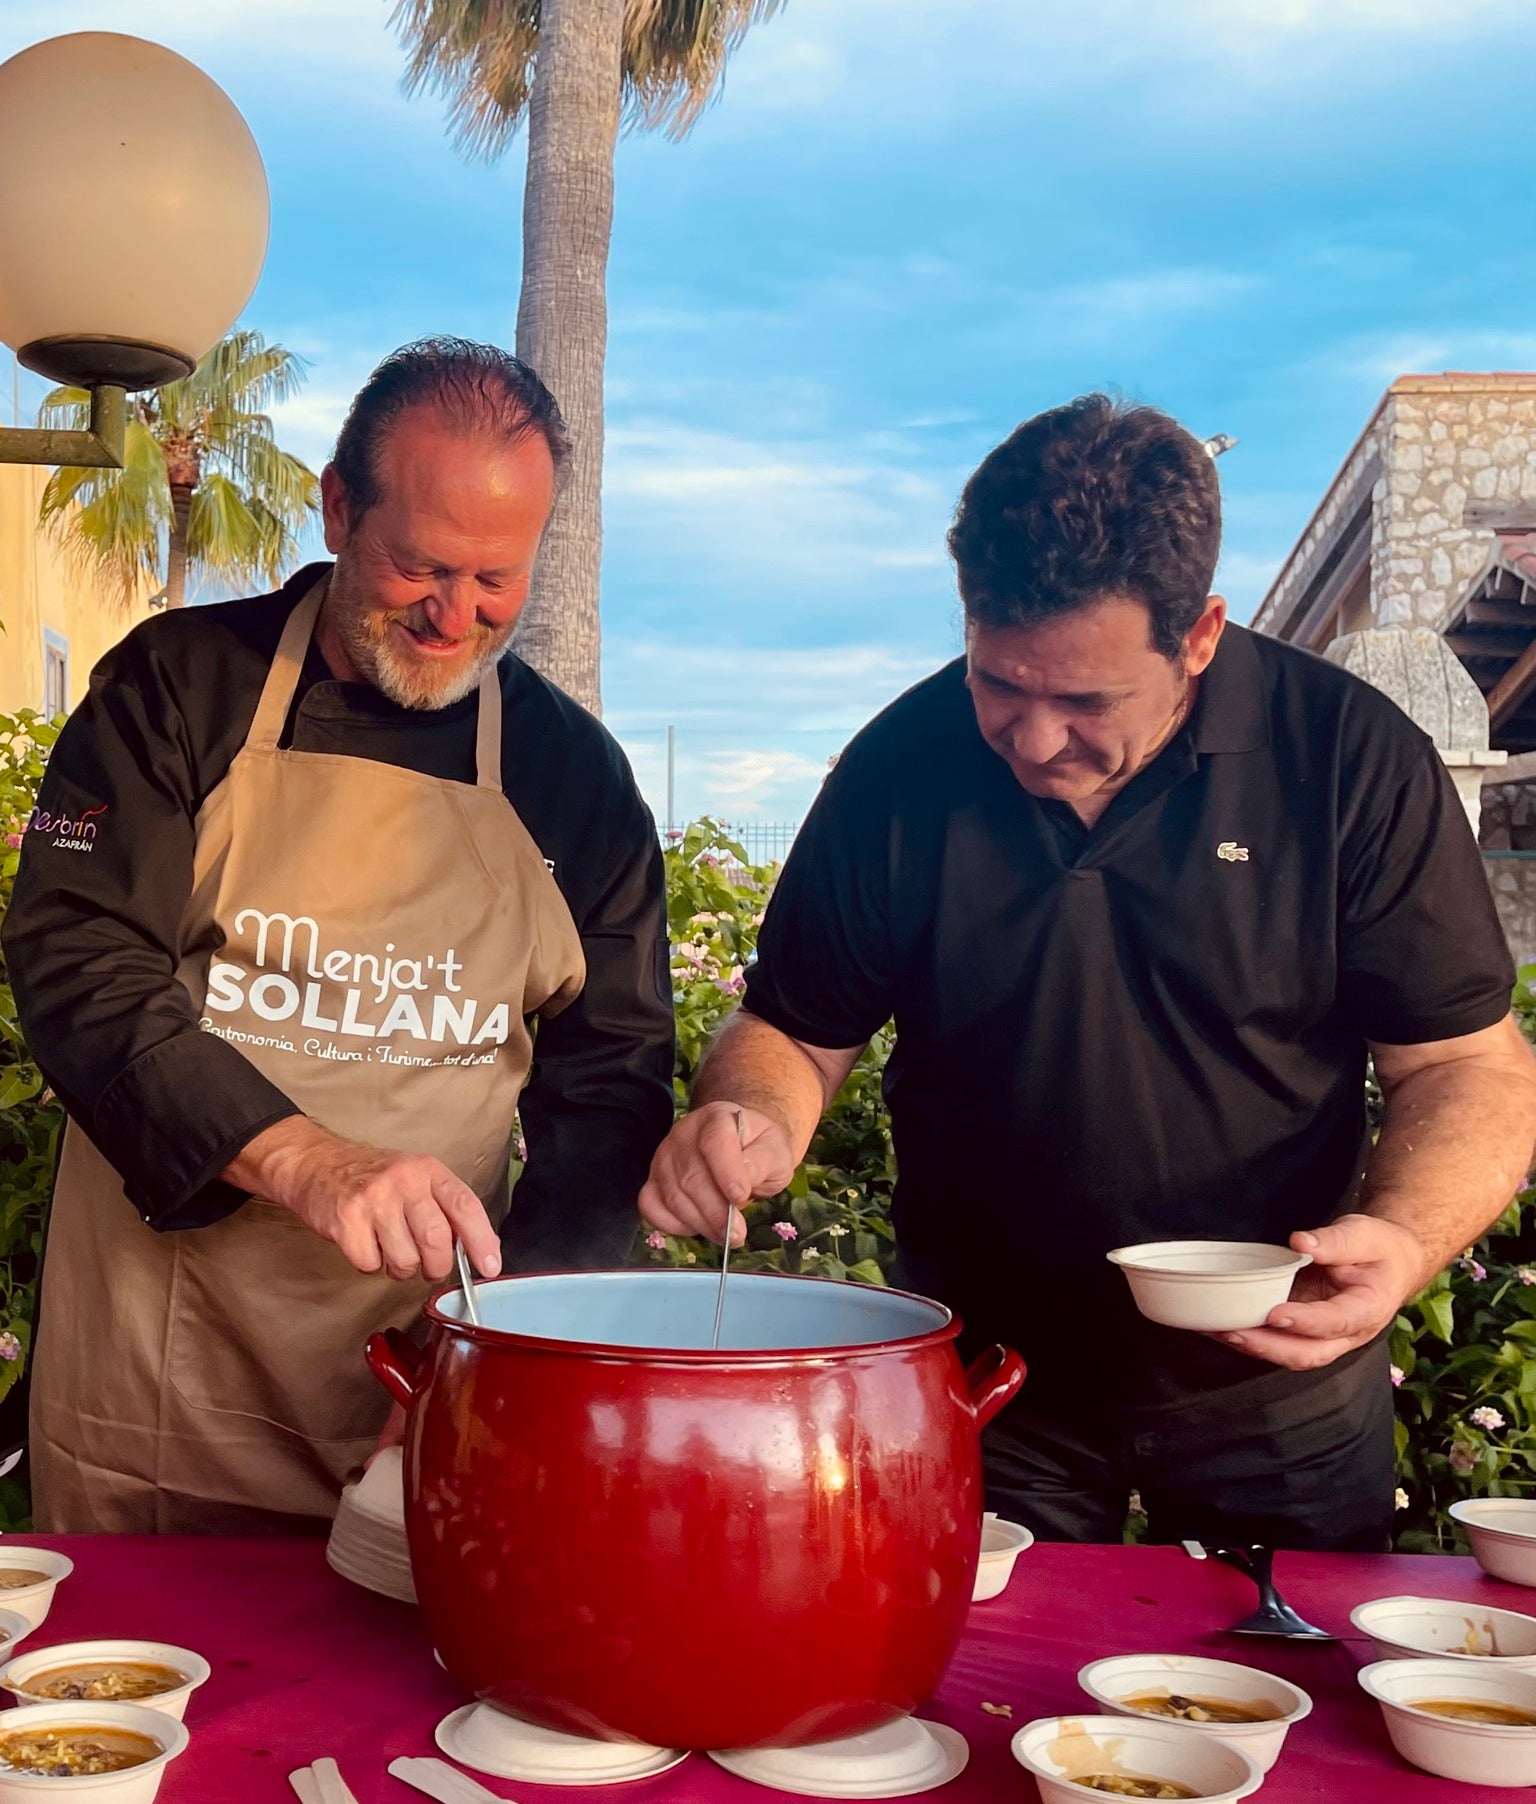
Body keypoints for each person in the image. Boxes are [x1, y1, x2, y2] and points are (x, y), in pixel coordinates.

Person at [641, 393, 1536, 1551]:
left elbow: (1466, 1064)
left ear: (1201, 634)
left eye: (1084, 700)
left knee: (1280, 1703)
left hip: (1281, 1389)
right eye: (999, 683)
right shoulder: (904, 765)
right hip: (982, 1378)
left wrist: (1407, 1238)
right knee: (967, 1711)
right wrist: (747, 1117)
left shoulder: (1349, 762)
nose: (1032, 736)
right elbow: (795, 1030)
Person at [5, 338, 675, 1535]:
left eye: (495, 580)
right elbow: (80, 959)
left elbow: (608, 1084)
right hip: (160, 1387)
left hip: (425, 1389)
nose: (453, 616)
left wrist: (501, 1339)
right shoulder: (176, 686)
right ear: (336, 504)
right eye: (419, 565)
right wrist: (309, 1159)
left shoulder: (576, 777)